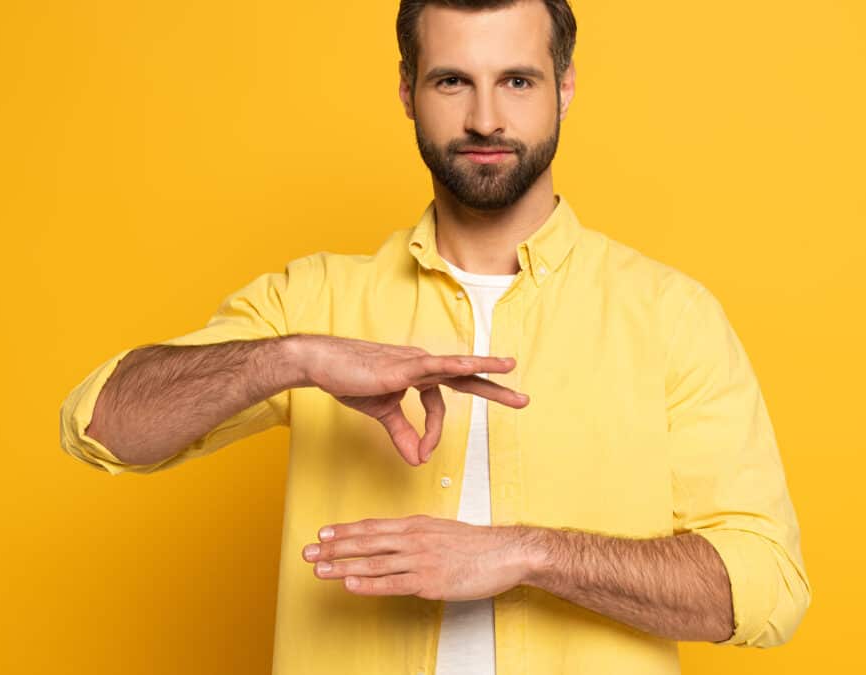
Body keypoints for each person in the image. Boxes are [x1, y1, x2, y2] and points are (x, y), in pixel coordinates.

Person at [58, 0, 812, 672]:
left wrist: (524, 553)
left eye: (517, 81)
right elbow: (103, 425)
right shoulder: (319, 297)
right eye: (453, 81)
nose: (486, 118)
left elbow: (766, 587)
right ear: (406, 91)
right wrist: (292, 357)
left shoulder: (669, 315)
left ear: (566, 87)